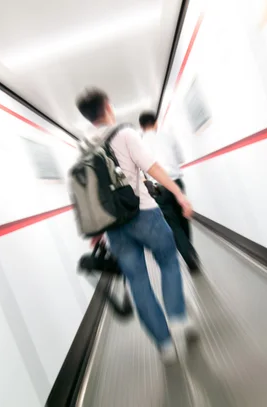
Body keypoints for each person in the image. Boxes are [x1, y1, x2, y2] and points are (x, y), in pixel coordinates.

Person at [76, 88, 197, 363]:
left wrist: (95, 233)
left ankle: (164, 344)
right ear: (108, 106)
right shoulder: (125, 134)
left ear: (85, 116)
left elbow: (88, 193)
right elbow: (152, 167)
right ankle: (177, 316)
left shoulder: (83, 146)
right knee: (168, 261)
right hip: (144, 214)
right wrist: (178, 194)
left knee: (137, 280)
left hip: (113, 228)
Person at [139, 112, 200, 274]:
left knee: (172, 223)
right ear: (156, 123)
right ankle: (190, 250)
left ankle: (188, 255)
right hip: (176, 183)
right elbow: (180, 158)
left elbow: (139, 171)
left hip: (158, 188)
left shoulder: (139, 144)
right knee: (183, 218)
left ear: (141, 127)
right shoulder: (168, 137)